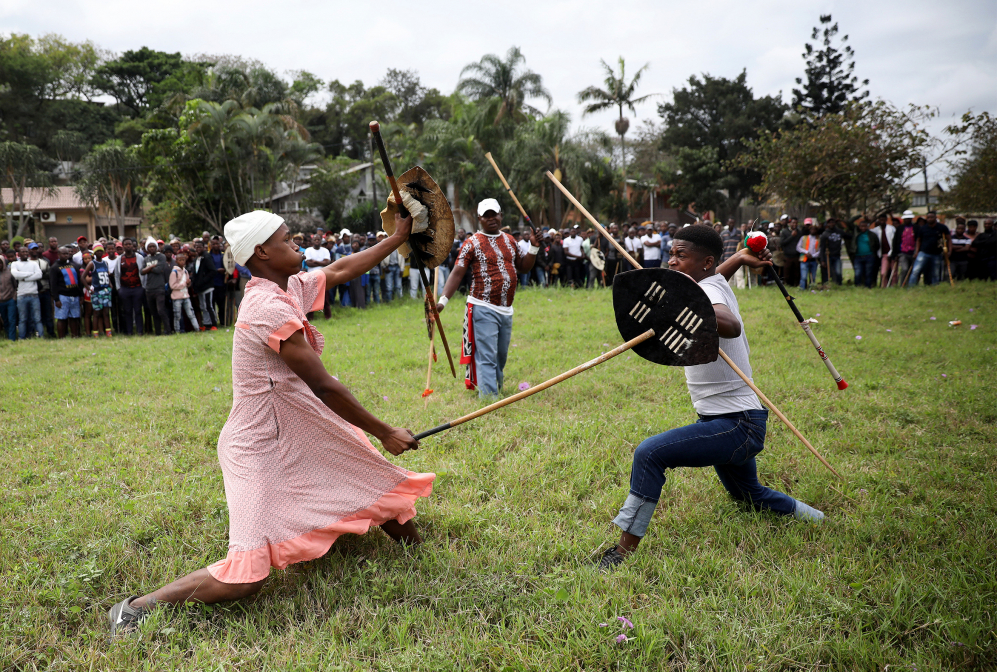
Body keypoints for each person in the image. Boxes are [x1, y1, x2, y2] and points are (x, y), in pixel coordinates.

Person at [107, 209, 432, 636]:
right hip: (258, 443)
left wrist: (398, 237)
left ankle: (418, 554)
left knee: (366, 469)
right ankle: (134, 608)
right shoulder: (265, 307)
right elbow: (323, 386)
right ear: (262, 252)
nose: (297, 245)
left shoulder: (287, 286)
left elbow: (340, 269)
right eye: (287, 239)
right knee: (246, 575)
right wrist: (385, 431)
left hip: (300, 424)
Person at [598, 224, 824, 571]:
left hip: (739, 425)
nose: (671, 261)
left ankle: (622, 553)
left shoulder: (706, 291)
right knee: (748, 494)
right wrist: (740, 258)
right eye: (671, 254)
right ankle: (817, 518)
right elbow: (714, 275)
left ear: (704, 262)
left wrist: (678, 300)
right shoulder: (709, 280)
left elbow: (730, 324)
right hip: (726, 420)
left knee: (649, 454)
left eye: (681, 255)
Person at [435, 198, 537, 398]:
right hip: (482, 306)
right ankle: (490, 399)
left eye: (494, 215)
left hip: (506, 309)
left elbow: (524, 267)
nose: (491, 219)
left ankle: (496, 390)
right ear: (479, 219)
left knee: (500, 355)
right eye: (486, 216)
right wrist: (442, 302)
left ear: (501, 216)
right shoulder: (472, 243)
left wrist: (534, 248)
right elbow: (457, 272)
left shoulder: (510, 240)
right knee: (487, 355)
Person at [907, 211, 950, 287]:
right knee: (915, 270)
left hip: (937, 253)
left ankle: (935, 287)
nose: (929, 219)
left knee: (936, 273)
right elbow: (918, 240)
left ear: (935, 217)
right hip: (923, 252)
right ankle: (910, 287)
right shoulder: (923, 228)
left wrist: (949, 251)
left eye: (931, 217)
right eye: (928, 218)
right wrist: (916, 252)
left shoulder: (942, 227)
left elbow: (949, 239)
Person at [10, 246, 44, 339]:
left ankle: (41, 336)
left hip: (34, 294)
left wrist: (24, 278)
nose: (25, 253)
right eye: (23, 252)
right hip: (21, 295)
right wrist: (31, 274)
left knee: (37, 318)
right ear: (18, 253)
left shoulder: (33, 263)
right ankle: (22, 337)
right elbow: (15, 275)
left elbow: (39, 275)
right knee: (22, 319)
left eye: (26, 251)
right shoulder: (15, 264)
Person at [114, 238, 145, 335]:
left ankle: (140, 331)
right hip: (124, 289)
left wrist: (143, 287)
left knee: (138, 310)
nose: (128, 246)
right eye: (126, 244)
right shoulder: (119, 259)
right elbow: (116, 274)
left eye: (130, 244)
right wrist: (119, 288)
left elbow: (143, 272)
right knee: (127, 311)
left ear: (133, 245)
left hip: (137, 288)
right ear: (123, 246)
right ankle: (129, 331)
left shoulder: (139, 257)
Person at [141, 238, 171, 335]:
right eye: (150, 247)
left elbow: (159, 270)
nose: (152, 248)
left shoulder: (161, 256)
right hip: (149, 289)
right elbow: (142, 271)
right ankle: (158, 332)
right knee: (154, 312)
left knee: (161, 310)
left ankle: (168, 330)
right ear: (147, 248)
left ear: (156, 247)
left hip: (159, 288)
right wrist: (151, 267)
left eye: (153, 246)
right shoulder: (146, 259)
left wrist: (148, 269)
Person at [83, 242, 114, 337]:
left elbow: (106, 274)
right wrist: (89, 288)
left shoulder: (105, 263)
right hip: (96, 291)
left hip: (106, 290)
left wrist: (110, 284)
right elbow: (82, 277)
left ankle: (108, 332)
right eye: (97, 251)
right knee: (96, 313)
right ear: (94, 253)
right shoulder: (92, 263)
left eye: (101, 251)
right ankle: (95, 333)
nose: (99, 252)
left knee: (106, 312)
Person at [51, 246, 82, 338]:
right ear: (59, 254)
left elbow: (79, 281)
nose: (66, 255)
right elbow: (53, 284)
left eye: (67, 254)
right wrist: (56, 299)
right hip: (62, 296)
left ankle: (75, 336)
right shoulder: (55, 267)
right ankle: (61, 337)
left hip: (75, 296)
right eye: (63, 254)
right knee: (61, 318)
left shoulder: (74, 265)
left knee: (74, 317)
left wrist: (81, 295)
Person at [27, 242, 55, 337]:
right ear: (29, 250)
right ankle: (33, 333)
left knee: (48, 314)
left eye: (36, 249)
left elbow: (49, 276)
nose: (35, 251)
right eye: (32, 249)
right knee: (33, 315)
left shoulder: (44, 262)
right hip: (32, 292)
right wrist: (39, 274)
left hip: (45, 291)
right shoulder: (26, 263)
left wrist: (37, 275)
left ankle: (51, 333)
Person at [189, 240, 218, 329]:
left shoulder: (207, 257)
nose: (198, 249)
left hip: (207, 286)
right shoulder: (196, 259)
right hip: (199, 287)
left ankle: (213, 324)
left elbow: (213, 271)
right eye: (196, 247)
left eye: (200, 247)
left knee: (208, 305)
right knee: (202, 306)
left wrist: (204, 280)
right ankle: (206, 324)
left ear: (204, 248)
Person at [168, 251, 199, 333]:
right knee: (177, 315)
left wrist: (188, 284)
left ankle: (197, 329)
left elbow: (187, 284)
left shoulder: (185, 271)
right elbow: (172, 286)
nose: (182, 262)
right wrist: (184, 284)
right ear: (176, 261)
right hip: (177, 297)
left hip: (185, 295)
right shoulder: (174, 272)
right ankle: (177, 330)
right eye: (180, 260)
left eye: (183, 260)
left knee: (191, 314)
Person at [851, 220, 880, 288]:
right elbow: (849, 222)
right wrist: (860, 215)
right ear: (859, 227)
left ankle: (868, 286)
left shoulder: (872, 235)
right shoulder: (856, 234)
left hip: (869, 256)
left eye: (865, 226)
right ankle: (858, 286)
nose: (863, 228)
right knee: (858, 273)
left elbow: (877, 245)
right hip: (858, 256)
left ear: (867, 226)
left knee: (868, 273)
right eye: (862, 226)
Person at [870, 214, 896, 288]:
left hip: (892, 253)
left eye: (883, 220)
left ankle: (894, 286)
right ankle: (884, 286)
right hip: (883, 254)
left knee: (894, 272)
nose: (882, 221)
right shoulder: (875, 230)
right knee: (883, 272)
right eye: (880, 220)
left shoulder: (891, 228)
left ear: (886, 220)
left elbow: (895, 241)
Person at [892, 211, 917, 284]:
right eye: (905, 219)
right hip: (903, 252)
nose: (907, 220)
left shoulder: (916, 228)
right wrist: (895, 254)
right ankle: (902, 284)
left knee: (913, 270)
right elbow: (895, 241)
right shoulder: (900, 228)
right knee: (904, 269)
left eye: (908, 218)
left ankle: (911, 284)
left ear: (911, 218)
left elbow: (918, 240)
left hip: (913, 252)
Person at [209, 237, 228, 326]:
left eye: (217, 244)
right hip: (212, 284)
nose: (215, 245)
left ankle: (223, 322)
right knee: (212, 305)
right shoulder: (208, 256)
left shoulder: (223, 256)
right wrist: (216, 270)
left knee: (222, 305)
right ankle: (214, 323)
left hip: (221, 283)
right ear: (211, 245)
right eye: (213, 244)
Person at [795, 221, 820, 289]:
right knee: (803, 277)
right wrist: (806, 252)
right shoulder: (804, 238)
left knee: (813, 276)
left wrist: (813, 255)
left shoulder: (818, 239)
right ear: (809, 230)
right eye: (812, 229)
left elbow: (820, 251)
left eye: (814, 229)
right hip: (804, 259)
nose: (813, 230)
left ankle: (812, 288)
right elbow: (798, 247)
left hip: (813, 260)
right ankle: (802, 289)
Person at [0, 250, 18, 340]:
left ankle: (12, 338)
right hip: (1, 301)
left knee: (12, 320)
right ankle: (7, 335)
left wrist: (14, 297)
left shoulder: (10, 273)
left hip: (10, 300)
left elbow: (15, 286)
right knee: (5, 320)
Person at [780, 218, 801, 287]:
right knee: (787, 272)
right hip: (788, 256)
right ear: (789, 223)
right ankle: (787, 285)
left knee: (796, 272)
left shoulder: (799, 232)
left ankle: (796, 285)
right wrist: (792, 236)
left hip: (797, 255)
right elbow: (782, 243)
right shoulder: (784, 231)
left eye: (796, 223)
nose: (794, 224)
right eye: (793, 223)